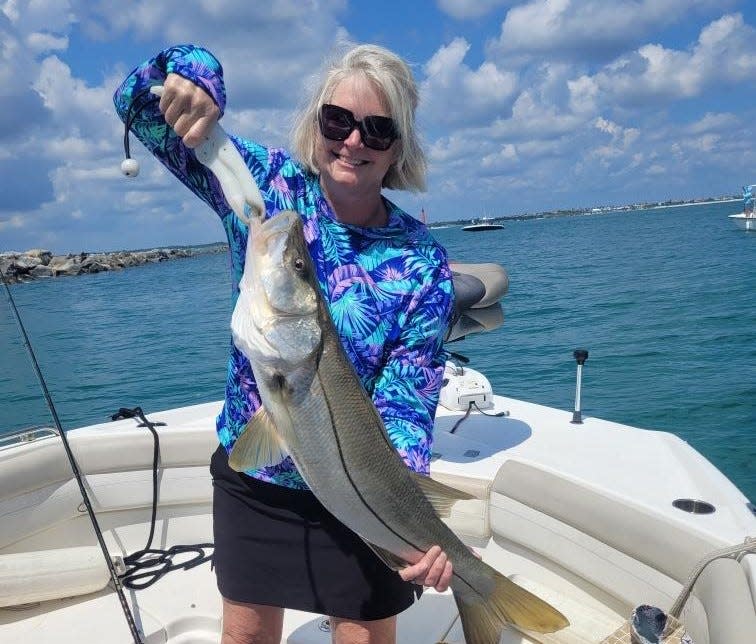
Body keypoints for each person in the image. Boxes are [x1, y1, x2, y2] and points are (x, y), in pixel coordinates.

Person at [114, 43, 455, 644]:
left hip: (361, 492)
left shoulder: (421, 261)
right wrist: (195, 76)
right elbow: (134, 105)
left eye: (378, 130)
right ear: (315, 122)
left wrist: (411, 517)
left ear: (398, 148)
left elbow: (406, 401)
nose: (353, 142)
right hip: (258, 484)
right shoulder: (265, 185)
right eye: (338, 121)